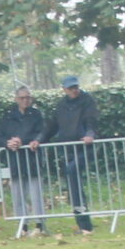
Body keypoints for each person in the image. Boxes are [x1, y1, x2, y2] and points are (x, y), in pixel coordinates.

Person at [47, 74, 99, 234]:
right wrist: (38, 139)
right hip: (68, 149)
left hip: (84, 147)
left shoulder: (87, 100)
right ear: (64, 89)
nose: (74, 90)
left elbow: (91, 120)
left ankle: (85, 224)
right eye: (71, 88)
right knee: (73, 183)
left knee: (72, 172)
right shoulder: (61, 105)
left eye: (75, 87)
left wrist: (90, 134)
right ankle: (83, 222)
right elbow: (52, 126)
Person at [0, 85, 50, 234]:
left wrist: (26, 141)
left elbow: (42, 133)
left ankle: (40, 225)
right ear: (16, 99)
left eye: (28, 97)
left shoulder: (36, 114)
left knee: (36, 194)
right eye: (22, 98)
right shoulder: (8, 116)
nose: (25, 101)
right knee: (18, 195)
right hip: (15, 160)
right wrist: (8, 143)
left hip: (33, 158)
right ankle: (23, 226)